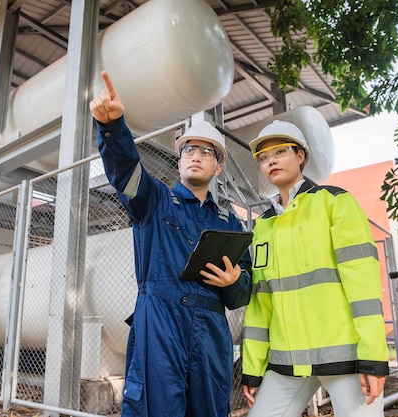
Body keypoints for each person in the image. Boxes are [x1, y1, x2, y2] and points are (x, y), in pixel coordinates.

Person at [89, 70, 252, 417]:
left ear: (218, 167)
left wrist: (234, 281)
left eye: (206, 152)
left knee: (209, 409)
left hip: (211, 330)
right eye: (189, 150)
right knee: (157, 408)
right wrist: (113, 129)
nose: (196, 155)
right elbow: (125, 173)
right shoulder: (154, 201)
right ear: (178, 162)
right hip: (160, 323)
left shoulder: (229, 223)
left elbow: (242, 293)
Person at [241, 120, 389, 417]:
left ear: (300, 156)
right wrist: (253, 369)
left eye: (280, 151)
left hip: (345, 358)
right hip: (287, 363)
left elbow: (363, 285)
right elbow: (260, 304)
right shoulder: (262, 227)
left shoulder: (335, 202)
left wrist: (373, 357)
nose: (271, 161)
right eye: (264, 158)